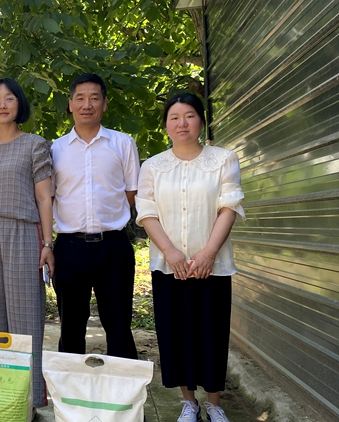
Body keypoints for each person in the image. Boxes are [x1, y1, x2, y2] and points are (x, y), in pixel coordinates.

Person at [136, 93, 245, 422]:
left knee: (212, 332)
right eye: (174, 117)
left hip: (213, 266)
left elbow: (229, 207)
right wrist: (170, 252)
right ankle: (189, 402)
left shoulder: (224, 159)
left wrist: (209, 253)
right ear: (166, 125)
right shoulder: (152, 166)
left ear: (201, 121)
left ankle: (214, 403)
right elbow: (147, 212)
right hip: (169, 267)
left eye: (189, 116)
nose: (181, 123)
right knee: (176, 333)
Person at [0, 78, 54, 411]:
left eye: (8, 98)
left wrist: (48, 243)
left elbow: (44, 197)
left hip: (22, 232)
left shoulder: (35, 144)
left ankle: (29, 399)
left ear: (19, 103)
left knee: (26, 318)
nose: (1, 105)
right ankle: (1, 397)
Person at [51, 73, 140, 359]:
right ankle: (70, 386)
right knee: (70, 326)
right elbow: (49, 196)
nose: (86, 104)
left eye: (94, 98)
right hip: (69, 248)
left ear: (104, 103)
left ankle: (122, 385)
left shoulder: (123, 143)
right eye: (80, 98)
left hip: (114, 247)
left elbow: (131, 191)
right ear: (70, 104)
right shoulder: (55, 149)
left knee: (119, 325)